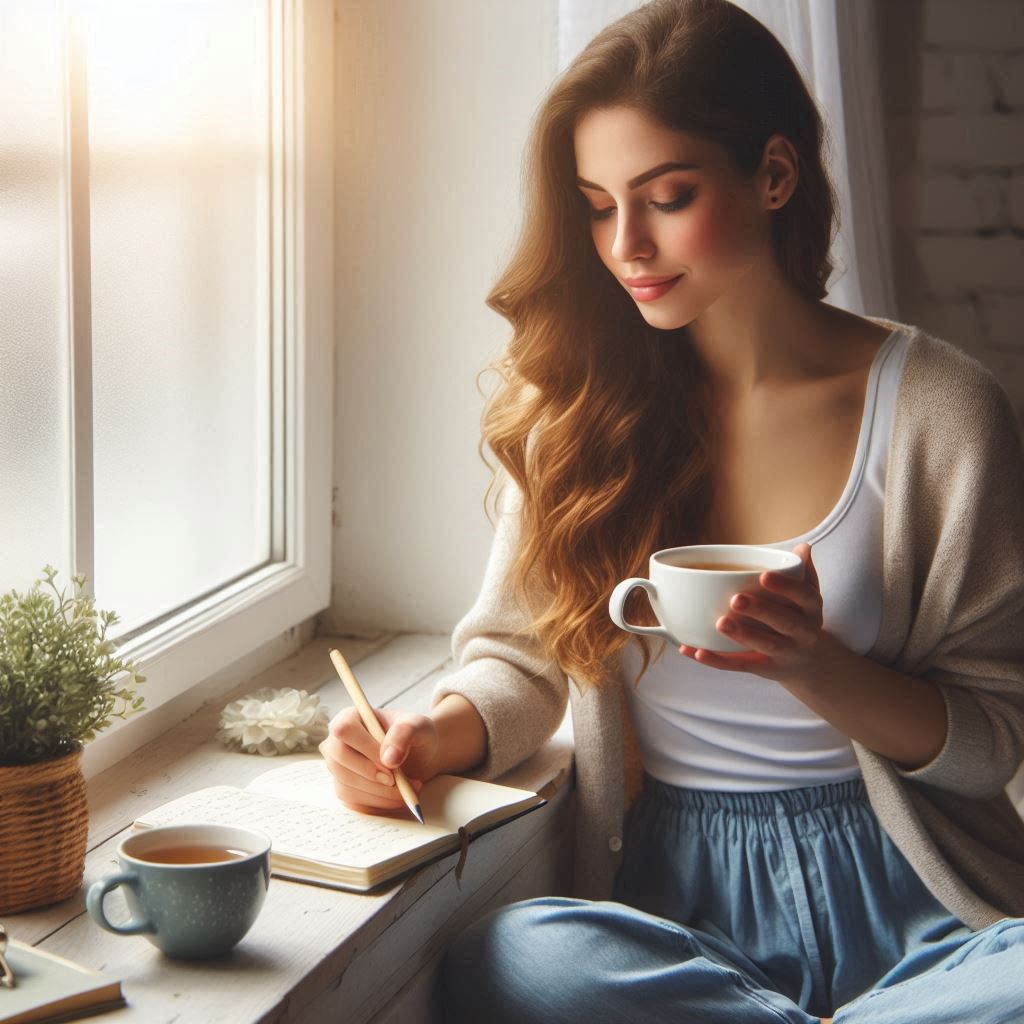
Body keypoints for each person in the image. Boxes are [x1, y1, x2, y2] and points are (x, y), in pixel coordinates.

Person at [318, 0, 1024, 1020]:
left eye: (667, 196)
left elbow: (994, 737)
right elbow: (520, 658)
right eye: (599, 205)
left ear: (774, 176)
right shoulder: (583, 412)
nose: (626, 245)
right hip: (687, 910)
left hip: (915, 896)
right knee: (517, 957)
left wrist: (815, 668)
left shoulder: (939, 413)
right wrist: (434, 734)